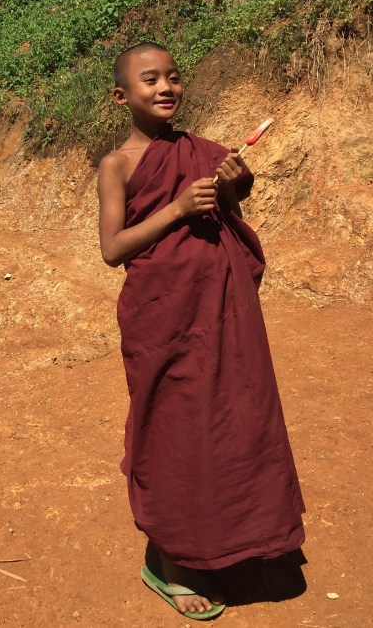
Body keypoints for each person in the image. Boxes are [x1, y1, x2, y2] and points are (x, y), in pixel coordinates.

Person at [97, 42, 305, 620]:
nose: (165, 87)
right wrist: (178, 209)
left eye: (173, 77)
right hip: (163, 317)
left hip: (222, 312)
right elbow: (113, 248)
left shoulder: (204, 152)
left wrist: (235, 184)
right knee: (175, 429)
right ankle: (171, 562)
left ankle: (243, 541)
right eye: (149, 80)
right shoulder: (116, 165)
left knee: (238, 419)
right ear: (122, 95)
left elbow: (229, 210)